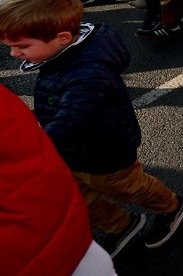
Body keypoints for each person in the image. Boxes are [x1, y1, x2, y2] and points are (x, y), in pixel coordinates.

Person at [0, 0, 183, 258]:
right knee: (77, 194)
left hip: (105, 151)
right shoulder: (62, 56)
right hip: (73, 151)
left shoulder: (88, 72)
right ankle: (120, 225)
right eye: (10, 47)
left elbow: (71, 118)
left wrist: (32, 144)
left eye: (21, 46)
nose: (13, 55)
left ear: (63, 38)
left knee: (129, 187)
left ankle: (172, 206)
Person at [1, 83, 115, 275]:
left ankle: (160, 210)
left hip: (35, 251)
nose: (14, 54)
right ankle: (121, 223)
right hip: (65, 234)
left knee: (123, 182)